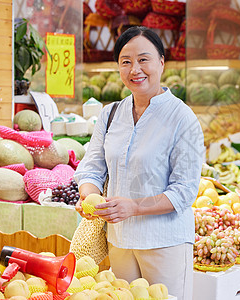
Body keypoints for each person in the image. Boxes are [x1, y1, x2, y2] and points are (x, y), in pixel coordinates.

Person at [74, 26, 205, 300]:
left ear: (161, 62)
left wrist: (133, 207)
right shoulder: (110, 115)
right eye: (126, 61)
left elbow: (184, 190)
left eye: (144, 59)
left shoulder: (182, 118)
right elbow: (92, 168)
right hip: (119, 241)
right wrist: (89, 197)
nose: (135, 69)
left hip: (164, 243)